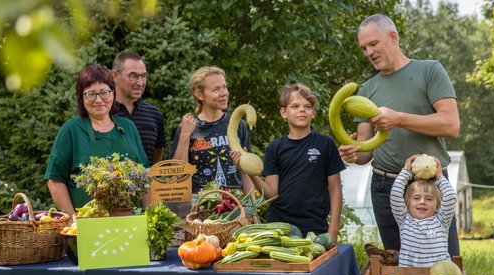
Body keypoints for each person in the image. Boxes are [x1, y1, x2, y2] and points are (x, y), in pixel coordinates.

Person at [338, 14, 460, 257]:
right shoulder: (366, 90)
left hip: (430, 184)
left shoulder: (429, 70)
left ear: (393, 37)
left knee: (444, 264)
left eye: (373, 44)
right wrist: (354, 152)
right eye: (363, 48)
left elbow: (451, 125)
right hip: (385, 186)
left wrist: (399, 119)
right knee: (399, 263)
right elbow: (365, 151)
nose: (368, 52)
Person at [232, 83, 345, 242]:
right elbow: (271, 193)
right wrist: (250, 172)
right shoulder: (274, 148)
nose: (302, 110)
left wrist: (333, 229)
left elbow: (335, 188)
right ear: (284, 112)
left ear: (313, 112)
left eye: (307, 106)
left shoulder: (325, 144)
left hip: (315, 226)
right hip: (279, 226)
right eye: (295, 106)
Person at [44, 65, 150, 220]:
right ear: (81, 97)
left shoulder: (128, 127)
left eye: (104, 93)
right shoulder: (72, 130)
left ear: (113, 94)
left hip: (131, 224)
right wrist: (72, 221)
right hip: (88, 227)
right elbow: (55, 180)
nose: (98, 100)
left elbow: (145, 175)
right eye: (91, 94)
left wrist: (149, 216)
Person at [170, 66, 254, 195]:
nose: (224, 93)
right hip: (199, 205)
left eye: (224, 87)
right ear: (199, 94)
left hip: (234, 204)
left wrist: (252, 210)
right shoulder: (188, 127)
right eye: (216, 89)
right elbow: (178, 176)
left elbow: (246, 173)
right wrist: (185, 135)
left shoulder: (237, 124)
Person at [391, 155, 456, 267]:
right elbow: (395, 194)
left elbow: (450, 196)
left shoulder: (442, 221)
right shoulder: (404, 219)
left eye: (429, 199)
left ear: (437, 205)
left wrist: (439, 176)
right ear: (408, 203)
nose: (422, 202)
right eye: (416, 198)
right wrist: (406, 171)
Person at [112, 51, 167, 165]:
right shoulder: (104, 112)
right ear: (115, 76)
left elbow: (158, 154)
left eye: (143, 76)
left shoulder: (154, 114)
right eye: (133, 76)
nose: (140, 83)